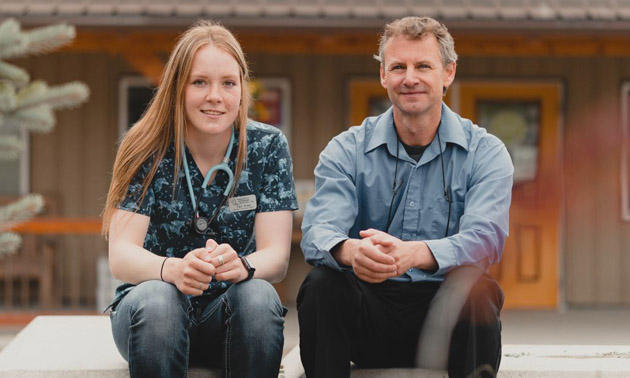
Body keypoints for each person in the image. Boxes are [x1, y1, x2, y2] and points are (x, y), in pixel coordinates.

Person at [297, 16, 514, 378]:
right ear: (383, 75)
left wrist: (414, 254)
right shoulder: (346, 149)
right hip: (367, 317)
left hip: (447, 321)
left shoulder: (485, 153)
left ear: (448, 73)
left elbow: (485, 240)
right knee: (322, 285)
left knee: (476, 286)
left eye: (423, 66)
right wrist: (351, 252)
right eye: (398, 66)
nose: (409, 78)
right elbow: (318, 230)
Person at [101, 20, 298, 378]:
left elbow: (278, 256)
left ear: (242, 88)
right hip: (150, 319)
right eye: (200, 82)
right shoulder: (145, 145)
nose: (215, 97)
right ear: (178, 87)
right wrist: (171, 270)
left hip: (228, 315)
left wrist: (243, 266)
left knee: (259, 297)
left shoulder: (267, 146)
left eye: (227, 83)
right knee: (160, 301)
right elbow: (121, 255)